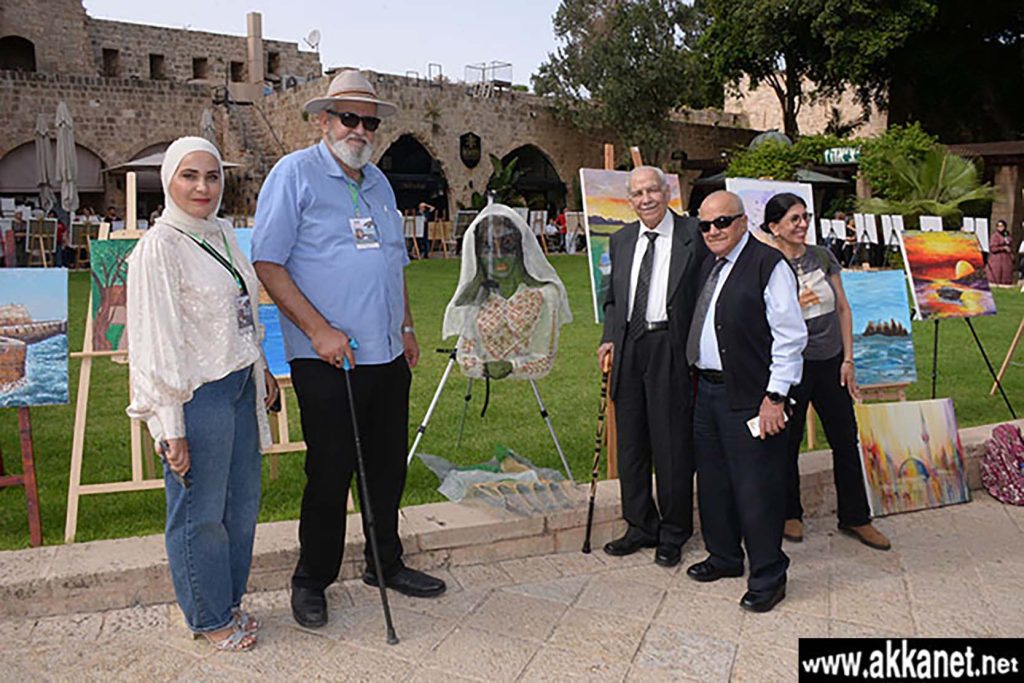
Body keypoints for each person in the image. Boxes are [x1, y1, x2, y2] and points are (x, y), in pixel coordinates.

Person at [251, 70, 446, 630]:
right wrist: (318, 331)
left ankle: (385, 563)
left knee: (385, 469)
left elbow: (393, 263)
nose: (360, 130)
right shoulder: (294, 174)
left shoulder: (379, 182)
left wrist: (406, 327)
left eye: (369, 122)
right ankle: (312, 578)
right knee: (331, 471)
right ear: (324, 120)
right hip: (326, 358)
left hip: (386, 354)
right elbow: (268, 262)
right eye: (349, 118)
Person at [126, 136, 280, 651]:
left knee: (241, 506)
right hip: (197, 394)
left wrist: (261, 368)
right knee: (200, 512)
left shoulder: (222, 234)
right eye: (189, 176)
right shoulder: (160, 247)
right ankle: (209, 616)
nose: (202, 187)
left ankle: (228, 601)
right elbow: (156, 343)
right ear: (168, 180)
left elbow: (242, 313)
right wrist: (170, 425)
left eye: (212, 176)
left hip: (238, 383)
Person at [685, 190, 807, 613]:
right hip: (708, 391)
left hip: (753, 396)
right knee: (714, 482)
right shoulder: (709, 264)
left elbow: (791, 337)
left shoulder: (768, 265)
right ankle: (724, 556)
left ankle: (769, 575)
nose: (713, 231)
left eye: (722, 222)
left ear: (742, 222)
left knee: (756, 489)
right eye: (705, 225)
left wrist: (775, 397)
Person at [761, 193, 891, 551]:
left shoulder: (822, 256)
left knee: (845, 440)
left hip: (831, 363)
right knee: (787, 443)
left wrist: (848, 359)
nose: (802, 224)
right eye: (794, 219)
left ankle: (856, 517)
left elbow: (843, 309)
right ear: (774, 227)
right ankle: (790, 513)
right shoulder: (767, 263)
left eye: (805, 217)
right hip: (792, 368)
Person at [596, 166, 708, 568]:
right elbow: (613, 299)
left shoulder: (694, 234)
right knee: (631, 443)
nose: (646, 199)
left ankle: (674, 531)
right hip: (629, 347)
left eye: (652, 191)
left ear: (667, 192)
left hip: (670, 347)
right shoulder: (621, 239)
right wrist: (610, 337)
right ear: (630, 200)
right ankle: (640, 524)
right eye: (637, 193)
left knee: (671, 443)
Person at [444, 204, 572, 380]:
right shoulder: (475, 299)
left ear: (520, 249)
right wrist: (481, 366)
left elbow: (544, 357)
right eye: (488, 248)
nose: (498, 256)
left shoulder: (545, 296)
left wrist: (513, 366)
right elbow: (467, 355)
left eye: (507, 245)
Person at [987, 220, 1014, 285]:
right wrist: (1003, 248)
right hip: (997, 259)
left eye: (1002, 226)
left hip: (1006, 259)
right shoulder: (995, 236)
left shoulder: (1007, 235)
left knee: (1006, 275)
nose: (1000, 227)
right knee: (997, 274)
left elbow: (1010, 244)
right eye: (998, 226)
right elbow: (993, 248)